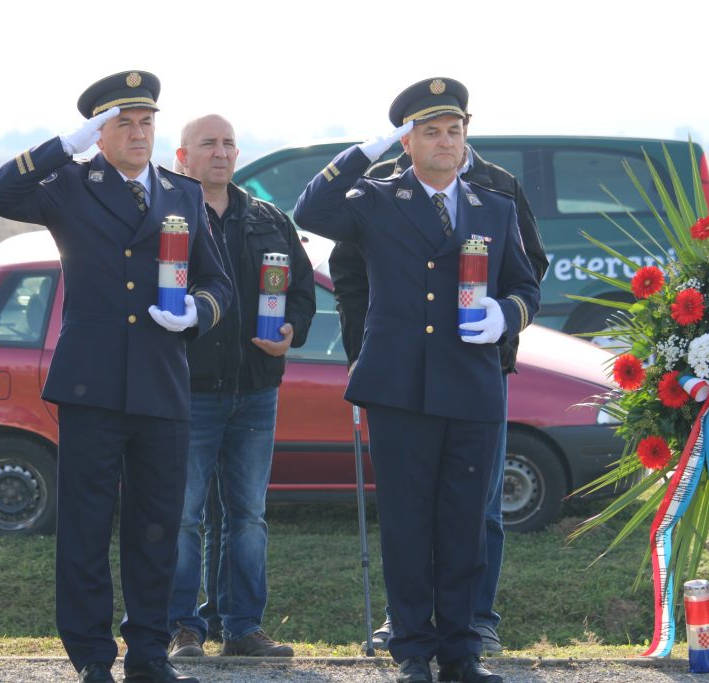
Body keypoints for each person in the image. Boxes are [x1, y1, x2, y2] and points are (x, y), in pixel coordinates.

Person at [0, 71, 231, 683]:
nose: (139, 133)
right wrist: (65, 145)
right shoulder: (71, 184)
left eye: (147, 122)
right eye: (124, 123)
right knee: (86, 528)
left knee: (157, 527)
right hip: (92, 383)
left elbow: (217, 281)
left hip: (161, 381)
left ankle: (148, 652)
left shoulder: (182, 193)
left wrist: (196, 312)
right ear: (98, 132)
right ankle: (92, 654)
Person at [293, 77, 540, 683]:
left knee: (464, 523)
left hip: (472, 383)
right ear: (407, 142)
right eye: (430, 132)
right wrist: (365, 150)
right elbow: (310, 211)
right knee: (407, 522)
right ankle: (411, 647)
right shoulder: (377, 198)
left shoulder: (494, 205)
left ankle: (460, 650)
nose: (445, 142)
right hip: (399, 385)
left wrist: (505, 316)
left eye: (454, 131)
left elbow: (526, 284)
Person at [167, 115, 315, 659]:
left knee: (247, 517)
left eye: (229, 143)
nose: (221, 152)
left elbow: (302, 291)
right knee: (183, 517)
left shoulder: (269, 219)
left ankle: (242, 629)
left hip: (255, 390)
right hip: (188, 390)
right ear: (183, 157)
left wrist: (292, 330)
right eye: (208, 143)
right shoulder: (167, 218)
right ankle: (182, 629)